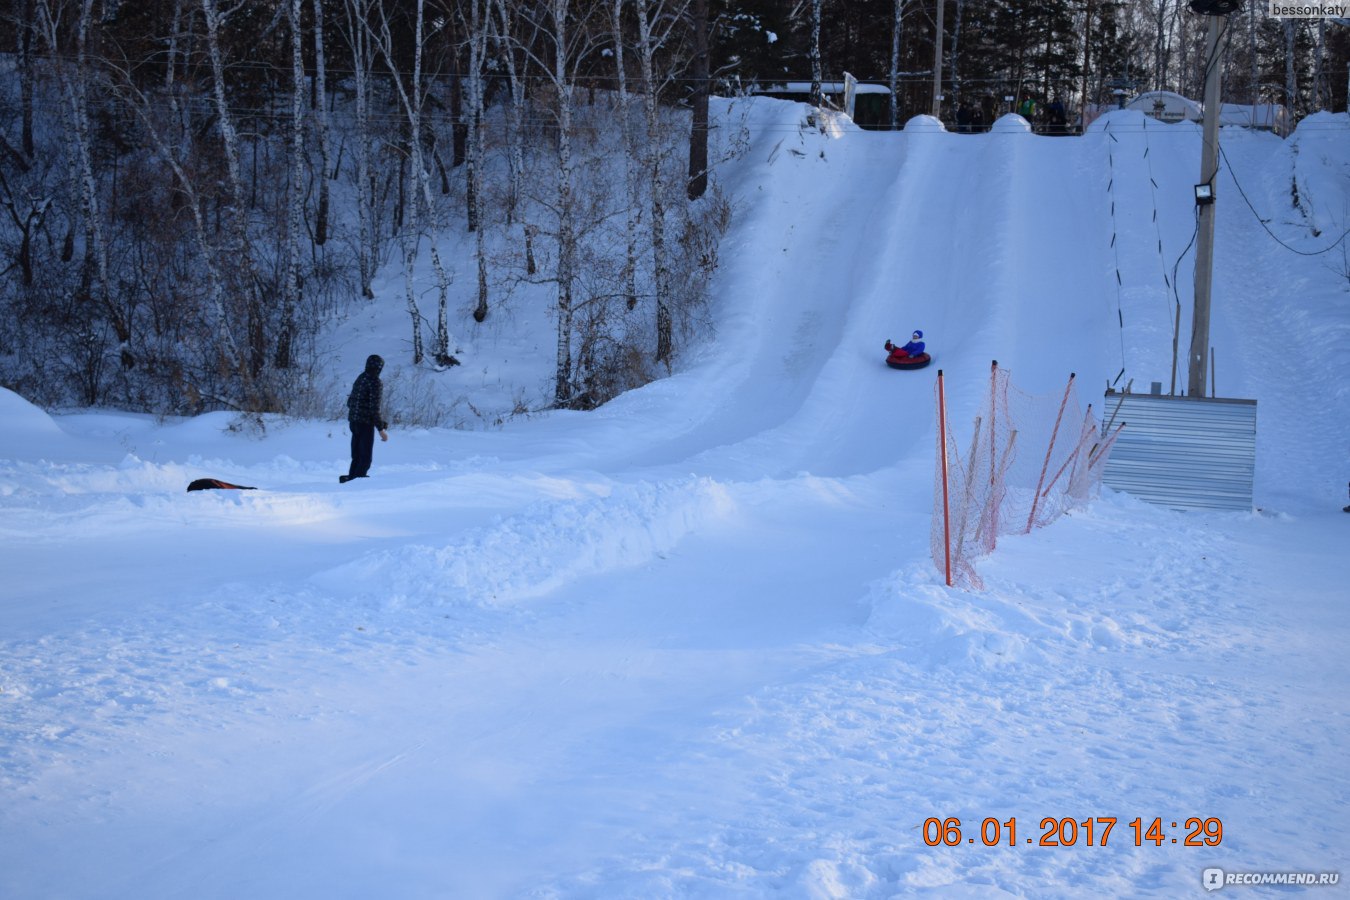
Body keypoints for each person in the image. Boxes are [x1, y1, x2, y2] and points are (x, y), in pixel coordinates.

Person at [340, 354, 389, 483]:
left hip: (353, 422)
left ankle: (351, 478)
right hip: (365, 424)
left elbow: (350, 402)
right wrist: (381, 429)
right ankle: (357, 483)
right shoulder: (375, 382)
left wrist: (377, 421)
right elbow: (374, 408)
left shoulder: (361, 378)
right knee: (365, 457)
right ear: (379, 368)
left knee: (356, 455)